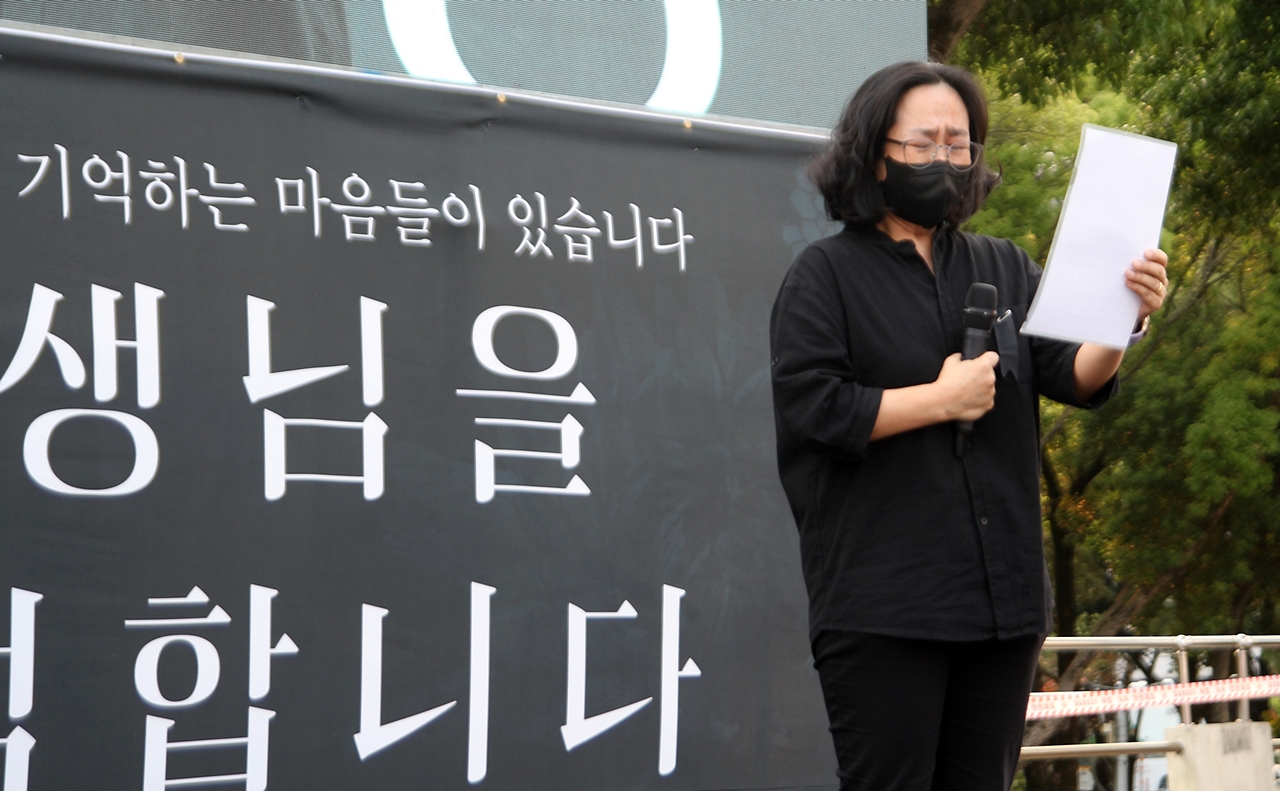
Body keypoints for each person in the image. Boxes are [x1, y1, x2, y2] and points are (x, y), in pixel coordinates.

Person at [769, 61, 1168, 791]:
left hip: (1002, 605)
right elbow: (813, 408)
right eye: (925, 143)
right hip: (886, 607)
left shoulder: (1005, 265)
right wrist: (938, 398)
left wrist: (1125, 317)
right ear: (874, 150)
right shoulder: (823, 277)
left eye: (961, 144)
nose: (946, 160)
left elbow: (1074, 374)